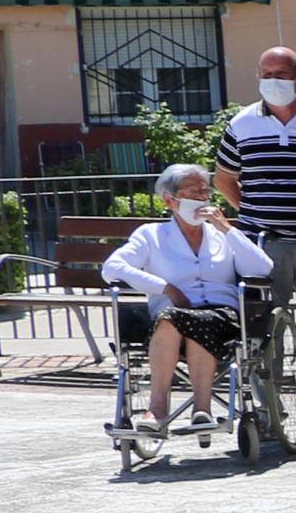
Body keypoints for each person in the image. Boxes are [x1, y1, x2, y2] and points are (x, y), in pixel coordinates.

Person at [214, 44, 296, 447]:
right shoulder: (241, 124)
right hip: (261, 246)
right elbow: (224, 178)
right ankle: (269, 410)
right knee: (260, 332)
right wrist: (252, 211)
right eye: (265, 73)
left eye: (280, 73)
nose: (272, 81)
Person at [101, 165, 271, 449]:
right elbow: (112, 268)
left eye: (205, 192)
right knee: (173, 318)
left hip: (221, 314)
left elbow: (262, 268)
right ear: (170, 200)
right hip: (170, 314)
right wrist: (164, 288)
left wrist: (226, 229)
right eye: (194, 192)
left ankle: (201, 408)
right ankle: (157, 408)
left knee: (192, 321)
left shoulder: (222, 235)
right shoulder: (152, 235)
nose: (202, 198)